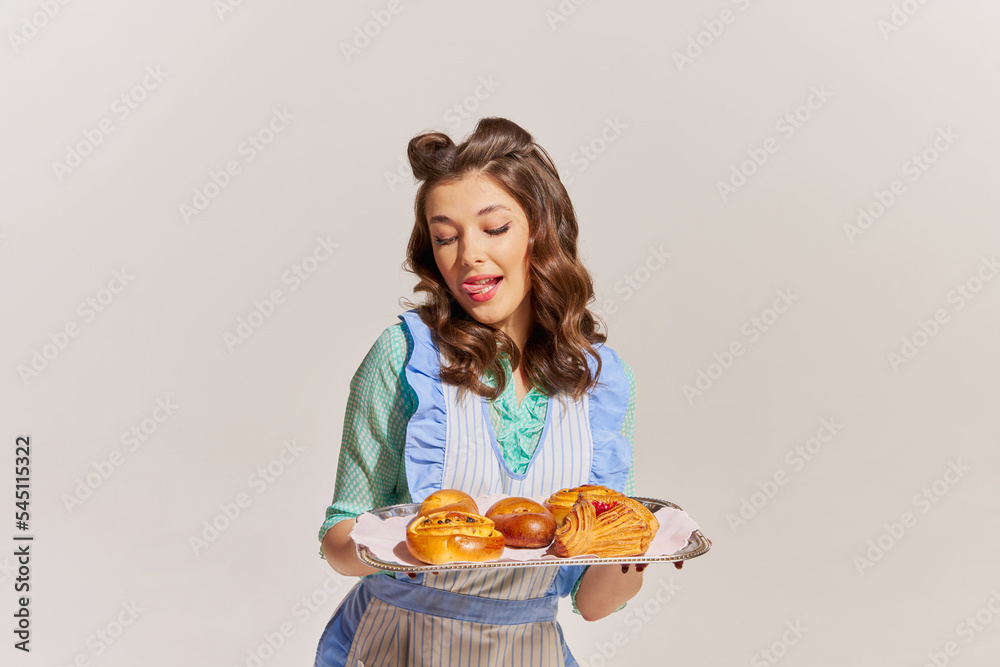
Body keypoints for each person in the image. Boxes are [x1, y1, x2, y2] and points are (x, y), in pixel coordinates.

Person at [315, 117, 647, 666]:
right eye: (446, 237)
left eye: (494, 229)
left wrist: (634, 553)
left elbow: (593, 603)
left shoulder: (603, 382)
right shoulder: (404, 358)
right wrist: (406, 546)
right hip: (402, 647)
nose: (467, 254)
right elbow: (338, 541)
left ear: (540, 232)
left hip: (528, 653)